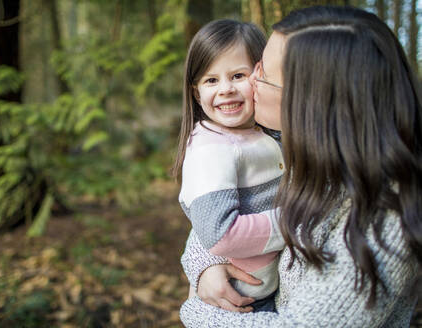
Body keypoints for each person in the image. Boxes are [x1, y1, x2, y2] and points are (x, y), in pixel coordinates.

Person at [179, 5, 422, 327]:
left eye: (261, 73)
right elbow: (219, 218)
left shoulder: (386, 216)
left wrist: (194, 311)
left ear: (309, 100)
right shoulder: (304, 154)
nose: (248, 82)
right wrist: (204, 265)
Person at [173, 19, 286, 311]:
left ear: (260, 76)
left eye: (238, 75)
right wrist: (293, 222)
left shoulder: (264, 132)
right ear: (197, 93)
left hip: (268, 287)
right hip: (239, 299)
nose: (225, 89)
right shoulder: (211, 148)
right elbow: (220, 232)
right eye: (211, 80)